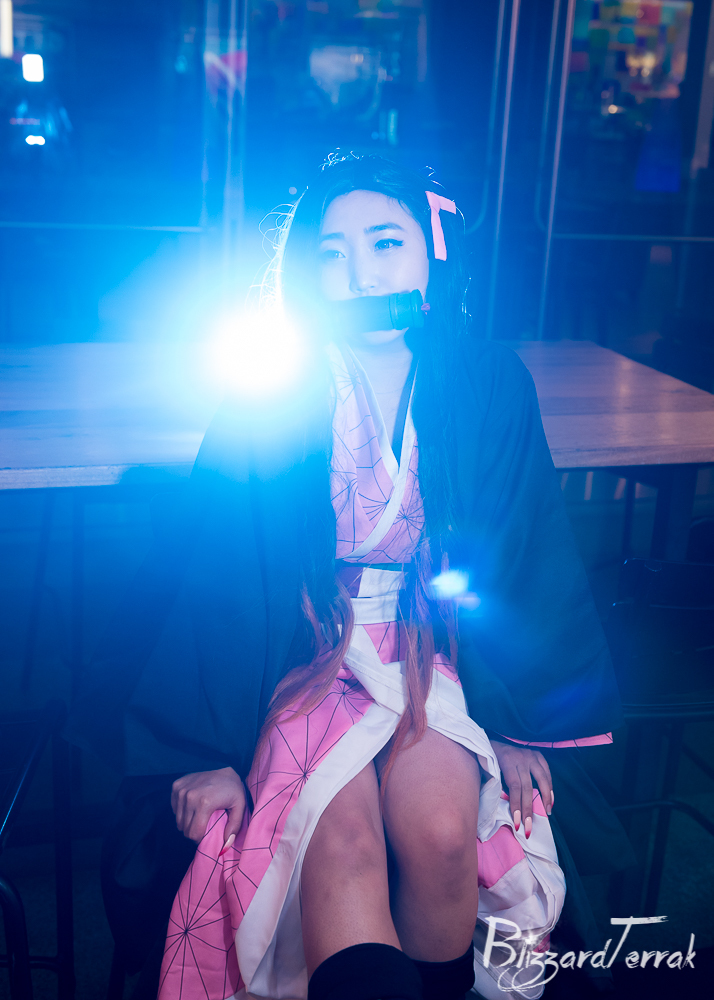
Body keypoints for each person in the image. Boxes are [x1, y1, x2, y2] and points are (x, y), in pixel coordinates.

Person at [67, 153, 626, 1000]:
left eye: (386, 242)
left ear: (433, 251)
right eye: (332, 253)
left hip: (429, 649)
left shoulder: (488, 384)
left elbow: (521, 551)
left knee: (444, 834)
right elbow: (218, 570)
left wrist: (518, 722)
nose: (361, 273)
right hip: (295, 652)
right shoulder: (275, 391)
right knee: (346, 844)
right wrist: (205, 751)